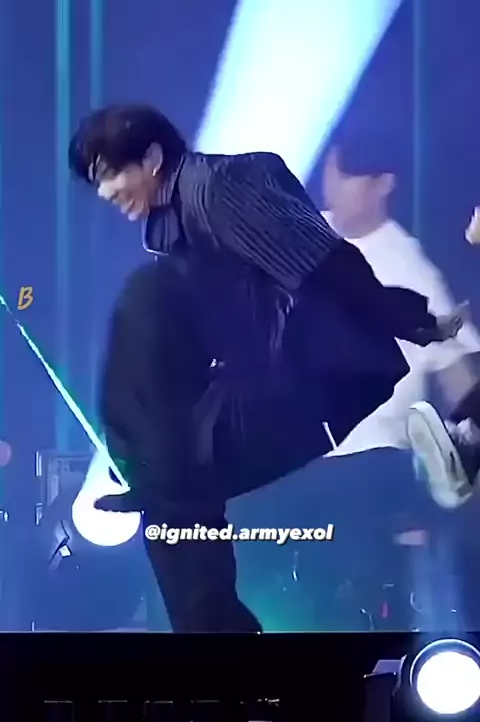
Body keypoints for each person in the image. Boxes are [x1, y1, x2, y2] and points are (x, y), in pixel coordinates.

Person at [68, 104, 480, 632]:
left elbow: (325, 262)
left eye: (110, 174)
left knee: (146, 299)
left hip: (305, 381)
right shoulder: (172, 230)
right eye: (97, 183)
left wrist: (409, 318)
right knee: (175, 501)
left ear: (151, 157)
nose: (106, 193)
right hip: (253, 388)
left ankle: (160, 478)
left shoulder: (226, 185)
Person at [320, 142, 480, 509]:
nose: (337, 187)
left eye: (352, 179)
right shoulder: (292, 234)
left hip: (370, 473)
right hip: (286, 462)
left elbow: (456, 375)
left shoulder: (413, 272)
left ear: (384, 185)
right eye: (335, 171)